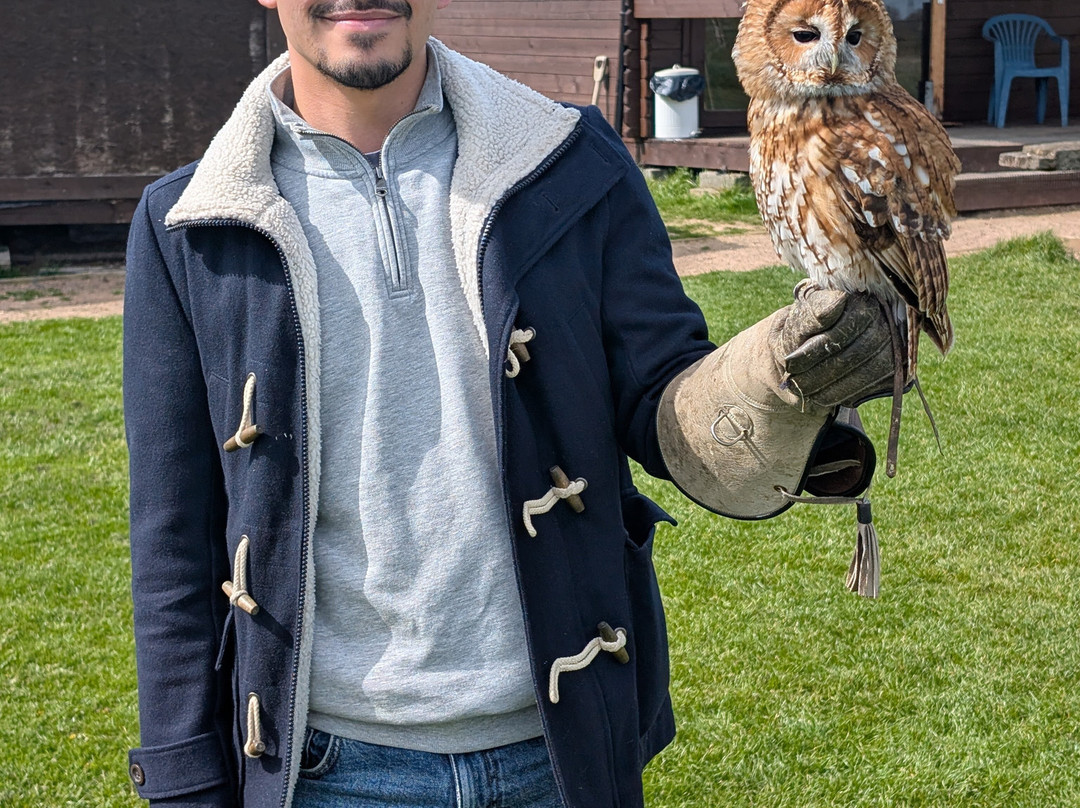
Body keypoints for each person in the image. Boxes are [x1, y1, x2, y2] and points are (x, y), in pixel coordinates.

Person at [122, 1, 895, 806]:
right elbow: (173, 541)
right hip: (325, 770)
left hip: (557, 752)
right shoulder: (192, 224)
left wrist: (774, 385)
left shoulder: (566, 160)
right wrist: (182, 778)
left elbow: (662, 391)